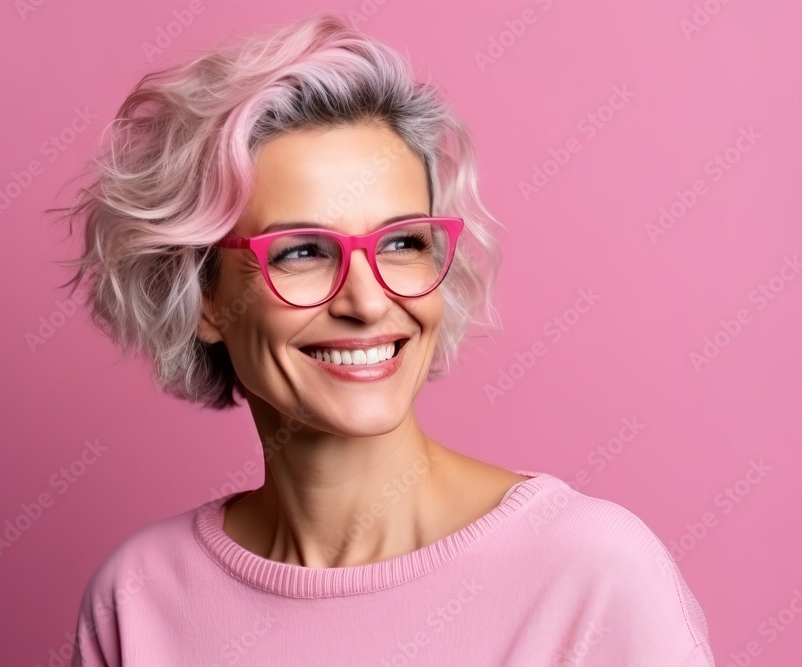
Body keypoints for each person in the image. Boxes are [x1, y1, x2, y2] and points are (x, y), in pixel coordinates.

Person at [52, 12, 715, 666]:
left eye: (401, 242)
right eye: (303, 251)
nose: (368, 302)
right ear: (205, 297)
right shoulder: (137, 600)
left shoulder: (590, 574)